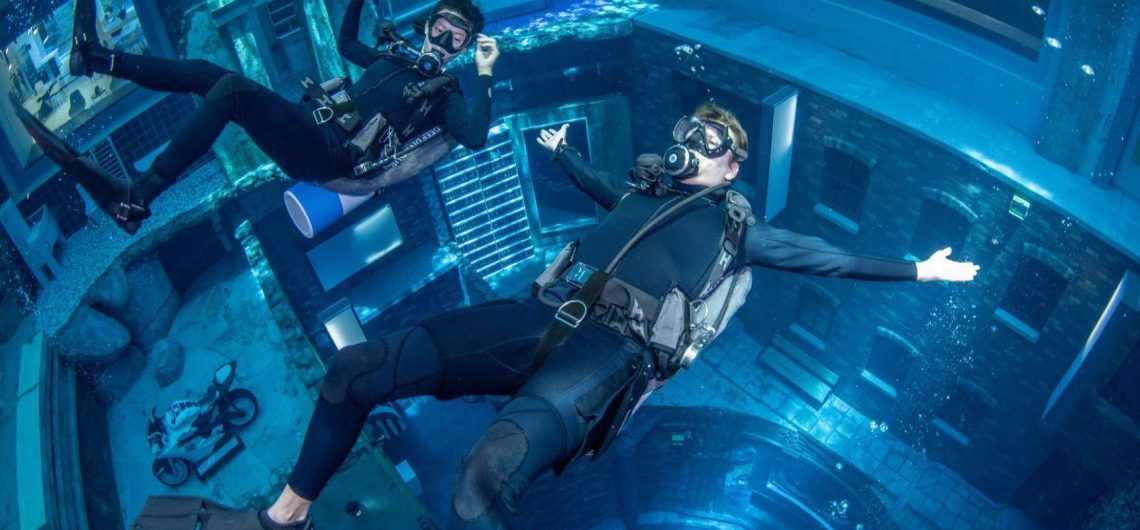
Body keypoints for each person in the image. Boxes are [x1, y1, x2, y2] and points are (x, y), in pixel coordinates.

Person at [251, 102, 979, 530]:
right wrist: (564, 155)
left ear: (732, 169)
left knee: (479, 480)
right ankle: (286, 516)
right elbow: (601, 187)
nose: (693, 142)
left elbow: (828, 257)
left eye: (712, 142)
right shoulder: (640, 195)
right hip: (538, 315)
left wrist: (921, 268)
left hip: (604, 358)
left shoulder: (736, 230)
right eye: (690, 130)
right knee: (355, 369)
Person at [17, 0, 499, 234]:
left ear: (462, 50)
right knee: (208, 72)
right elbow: (347, 46)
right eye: (440, 26)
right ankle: (96, 59)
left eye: (456, 38)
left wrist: (485, 73)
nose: (442, 39)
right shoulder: (395, 58)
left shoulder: (446, 93)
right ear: (428, 24)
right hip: (307, 120)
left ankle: (135, 199)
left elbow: (474, 136)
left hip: (331, 153)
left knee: (229, 90)